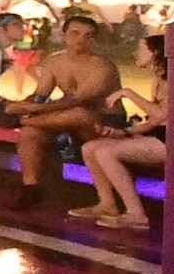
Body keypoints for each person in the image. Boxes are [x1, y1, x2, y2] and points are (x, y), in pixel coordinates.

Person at [8, 12, 122, 207]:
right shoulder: (54, 61)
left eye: (88, 36)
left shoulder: (103, 67)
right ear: (62, 35)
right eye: (75, 33)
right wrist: (22, 105)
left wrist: (29, 113)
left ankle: (20, 121)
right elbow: (40, 94)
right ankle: (30, 189)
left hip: (102, 123)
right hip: (67, 123)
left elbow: (79, 100)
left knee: (78, 114)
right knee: (29, 133)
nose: (81, 39)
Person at [73, 33, 168, 231]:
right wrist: (124, 132)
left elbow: (160, 116)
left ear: (155, 53)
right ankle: (107, 204)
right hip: (158, 136)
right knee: (90, 148)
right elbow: (154, 121)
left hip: (173, 142)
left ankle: (136, 214)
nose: (136, 53)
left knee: (106, 152)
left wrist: (128, 93)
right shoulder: (157, 81)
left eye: (141, 49)